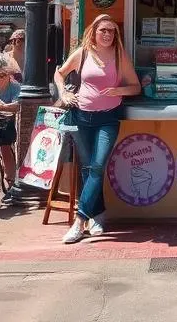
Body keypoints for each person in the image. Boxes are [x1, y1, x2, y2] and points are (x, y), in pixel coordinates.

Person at [53, 14, 141, 244]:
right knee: (88, 168)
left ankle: (80, 221)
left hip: (108, 118)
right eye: (103, 30)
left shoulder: (120, 57)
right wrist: (64, 92)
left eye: (111, 31)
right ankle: (98, 215)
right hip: (82, 115)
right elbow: (59, 73)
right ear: (93, 31)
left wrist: (118, 91)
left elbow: (135, 87)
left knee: (98, 166)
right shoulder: (82, 53)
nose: (107, 34)